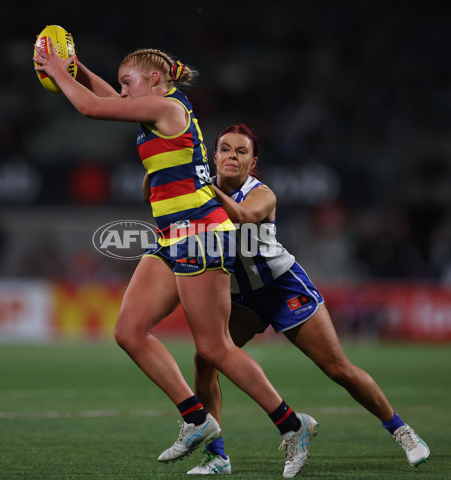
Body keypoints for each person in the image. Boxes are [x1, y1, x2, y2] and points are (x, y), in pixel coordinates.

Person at [34, 41, 317, 477]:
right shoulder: (155, 109)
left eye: (129, 82)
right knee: (129, 332)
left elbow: (92, 108)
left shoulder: (169, 109)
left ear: (153, 80)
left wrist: (57, 69)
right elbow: (107, 99)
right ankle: (197, 420)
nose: (123, 91)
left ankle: (293, 425)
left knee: (214, 348)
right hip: (171, 236)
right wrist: (76, 67)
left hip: (203, 233)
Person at [182, 123, 430, 475]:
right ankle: (218, 457)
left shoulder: (261, 193)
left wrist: (201, 188)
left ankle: (402, 431)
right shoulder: (198, 194)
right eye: (224, 149)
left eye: (241, 151)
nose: (231, 156)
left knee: (338, 369)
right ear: (214, 155)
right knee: (205, 358)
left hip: (284, 289)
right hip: (243, 299)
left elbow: (242, 216)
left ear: (254, 162)